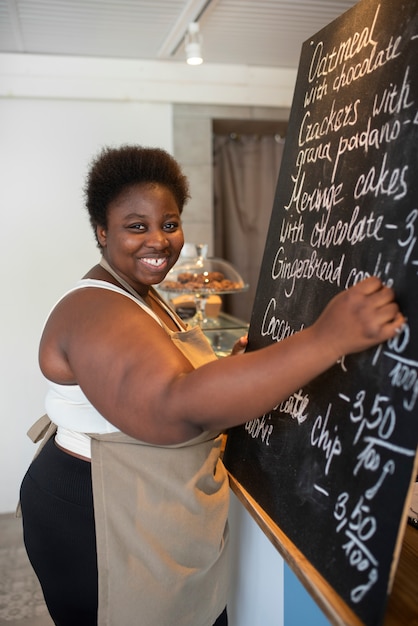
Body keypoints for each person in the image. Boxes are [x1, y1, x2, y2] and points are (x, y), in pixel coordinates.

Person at [19, 145, 404, 626]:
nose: (158, 240)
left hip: (140, 497)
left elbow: (176, 375)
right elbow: (170, 406)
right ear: (102, 232)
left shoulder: (143, 295)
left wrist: (241, 367)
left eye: (169, 223)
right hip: (94, 506)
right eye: (136, 226)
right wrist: (326, 339)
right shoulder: (95, 308)